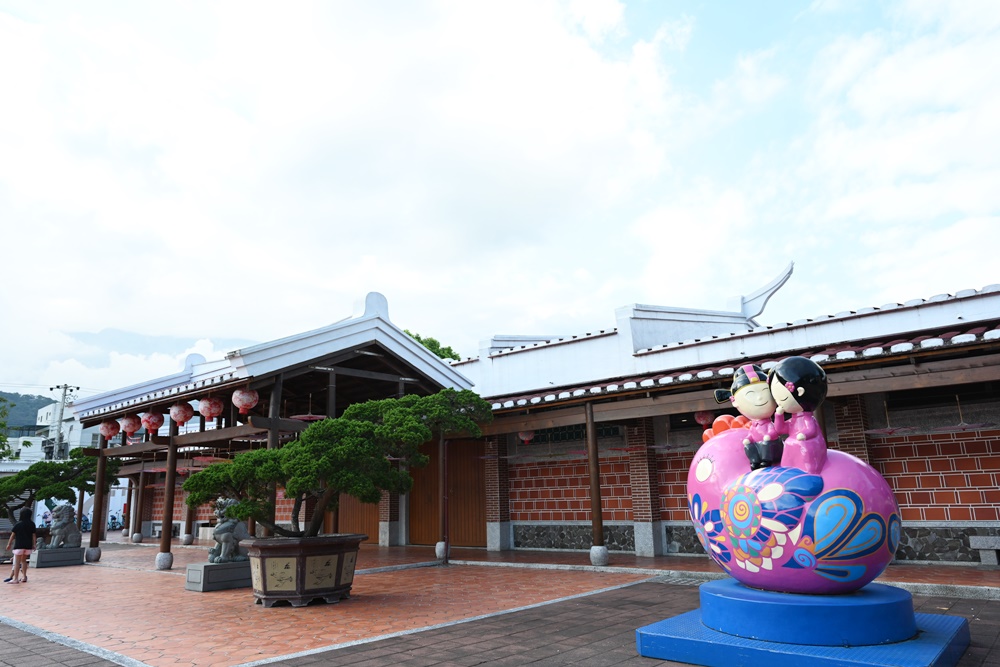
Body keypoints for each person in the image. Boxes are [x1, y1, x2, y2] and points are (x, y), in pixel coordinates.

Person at [4, 508, 38, 584]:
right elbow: (34, 535)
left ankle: (15, 579)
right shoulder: (32, 524)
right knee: (24, 561)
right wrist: (34, 544)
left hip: (19, 546)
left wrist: (9, 544)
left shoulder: (18, 524)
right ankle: (24, 577)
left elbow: (12, 536)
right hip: (28, 546)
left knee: (17, 562)